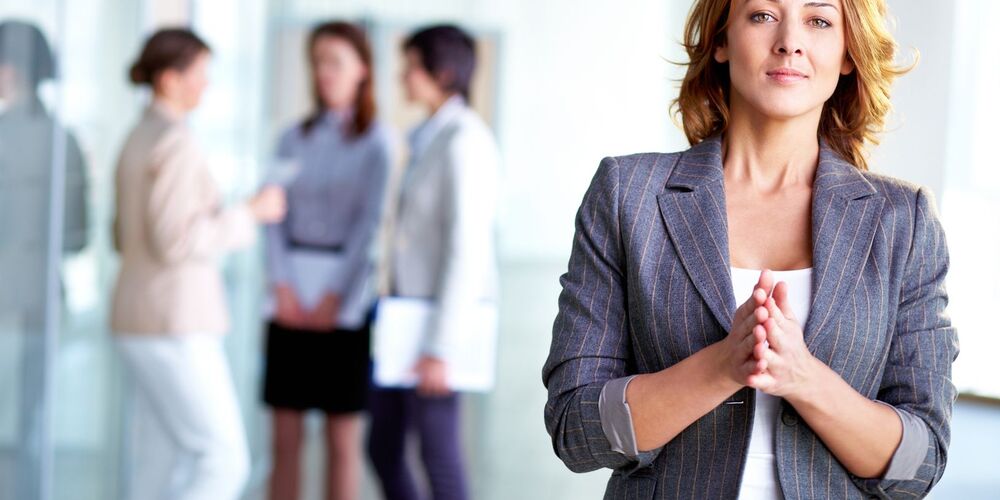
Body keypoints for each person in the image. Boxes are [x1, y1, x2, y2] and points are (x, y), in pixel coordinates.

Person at [542, 0, 959, 498]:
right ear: (721, 40)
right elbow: (576, 429)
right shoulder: (627, 195)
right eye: (762, 15)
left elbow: (920, 463)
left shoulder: (904, 220)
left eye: (819, 21)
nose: (790, 42)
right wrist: (721, 367)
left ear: (848, 53)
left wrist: (803, 378)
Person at [111, 28, 286, 500]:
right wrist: (248, 213)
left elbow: (121, 234)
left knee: (161, 458)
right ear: (170, 79)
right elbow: (175, 241)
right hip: (175, 321)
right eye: (201, 73)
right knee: (224, 460)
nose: (207, 84)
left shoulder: (138, 135)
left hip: (139, 317)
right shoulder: (175, 141)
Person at [367, 25, 500, 500]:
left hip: (435, 326)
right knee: (383, 447)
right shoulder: (430, 137)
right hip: (404, 315)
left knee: (437, 454)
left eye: (411, 67)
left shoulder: (465, 141)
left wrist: (441, 347)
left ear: (442, 73)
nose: (402, 77)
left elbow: (467, 250)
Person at [262, 21, 391, 500]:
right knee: (284, 439)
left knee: (341, 440)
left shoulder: (376, 143)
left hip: (344, 300)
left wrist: (335, 295)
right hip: (289, 297)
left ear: (362, 69)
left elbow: (368, 227)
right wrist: (283, 286)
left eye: (335, 62)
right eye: (317, 62)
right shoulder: (291, 138)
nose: (324, 72)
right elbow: (272, 216)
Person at [0, 19, 89, 500]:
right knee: (28, 426)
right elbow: (77, 237)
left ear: (10, 70)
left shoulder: (5, 135)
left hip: (11, 302)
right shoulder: (63, 138)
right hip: (43, 297)